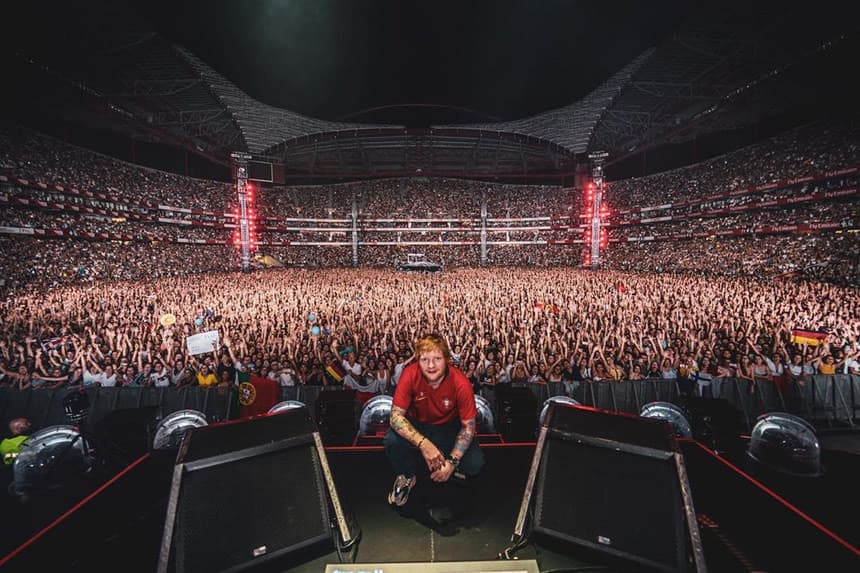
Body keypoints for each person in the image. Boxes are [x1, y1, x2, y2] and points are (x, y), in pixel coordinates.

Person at [384, 334, 484, 507]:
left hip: (448, 427)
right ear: (417, 360)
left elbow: (469, 427)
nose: (430, 366)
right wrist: (424, 444)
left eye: (437, 359)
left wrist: (452, 462)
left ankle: (451, 469)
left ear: (447, 360)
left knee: (475, 464)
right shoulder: (409, 374)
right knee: (391, 441)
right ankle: (407, 475)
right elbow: (395, 417)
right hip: (417, 425)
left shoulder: (461, 382)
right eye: (424, 359)